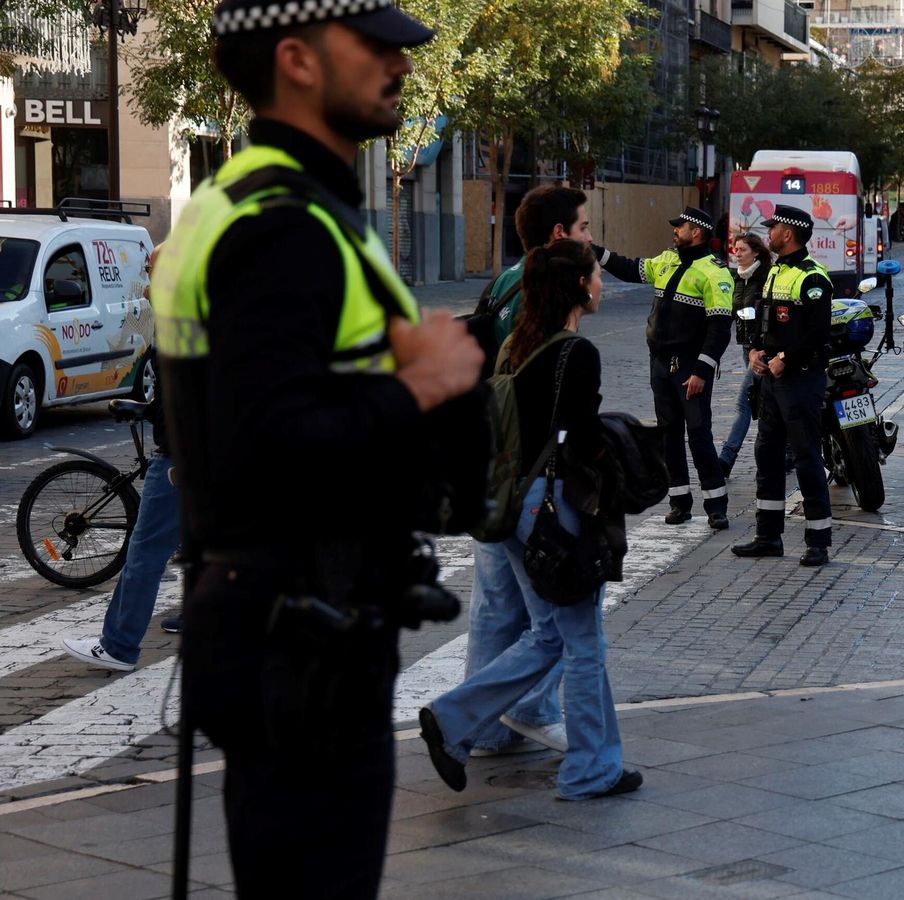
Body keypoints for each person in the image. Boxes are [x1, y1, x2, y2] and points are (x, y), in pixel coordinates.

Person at [152, 2, 488, 896]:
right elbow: (265, 444)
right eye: (373, 46)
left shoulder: (258, 202)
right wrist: (426, 381)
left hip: (290, 626)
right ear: (297, 60)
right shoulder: (284, 227)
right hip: (300, 636)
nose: (402, 65)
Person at [420, 240, 641, 801]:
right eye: (595, 274)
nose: (602, 282)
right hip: (557, 505)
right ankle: (591, 769)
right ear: (577, 287)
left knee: (548, 635)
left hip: (517, 506)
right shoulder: (576, 353)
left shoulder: (516, 346)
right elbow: (577, 443)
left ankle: (451, 720)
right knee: (583, 643)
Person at [464, 185, 593, 760]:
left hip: (494, 467)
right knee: (549, 611)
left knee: (496, 604)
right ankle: (529, 709)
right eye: (585, 227)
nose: (592, 237)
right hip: (526, 471)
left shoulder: (502, 281)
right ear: (560, 236)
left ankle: (487, 727)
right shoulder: (536, 293)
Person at [63, 248, 184, 671]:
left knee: (145, 554)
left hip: (177, 462)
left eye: (150, 272)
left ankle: (118, 645)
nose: (146, 282)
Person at [594, 206, 734, 528]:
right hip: (660, 364)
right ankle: (679, 502)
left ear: (696, 231)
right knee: (669, 435)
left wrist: (701, 371)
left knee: (699, 435)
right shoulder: (667, 260)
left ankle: (716, 506)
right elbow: (630, 269)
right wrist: (596, 253)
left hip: (690, 368)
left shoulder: (715, 272)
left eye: (680, 226)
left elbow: (719, 329)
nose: (675, 231)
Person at [732, 204, 834, 567]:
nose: (769, 232)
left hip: (800, 379)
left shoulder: (813, 277)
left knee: (806, 457)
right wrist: (756, 351)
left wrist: (786, 359)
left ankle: (818, 541)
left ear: (787, 233)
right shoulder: (776, 271)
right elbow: (766, 319)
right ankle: (767, 536)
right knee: (768, 456)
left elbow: (819, 332)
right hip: (771, 380)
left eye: (773, 227)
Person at [718, 231, 773, 475]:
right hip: (746, 349)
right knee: (769, 401)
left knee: (744, 403)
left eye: (742, 250)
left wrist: (759, 348)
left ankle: (725, 460)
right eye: (735, 249)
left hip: (762, 350)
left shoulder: (766, 277)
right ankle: (788, 452)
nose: (736, 254)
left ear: (756, 252)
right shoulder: (736, 278)